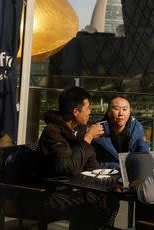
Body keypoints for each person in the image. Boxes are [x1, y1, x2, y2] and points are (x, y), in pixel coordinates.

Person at [36, 86, 118, 230]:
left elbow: (90, 161)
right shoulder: (53, 132)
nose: (90, 112)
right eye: (88, 108)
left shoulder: (78, 129)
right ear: (75, 112)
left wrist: (106, 182)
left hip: (74, 188)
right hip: (51, 192)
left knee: (110, 199)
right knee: (89, 205)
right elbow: (69, 167)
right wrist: (88, 137)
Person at [93, 95, 150, 168]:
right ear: (109, 112)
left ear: (130, 112)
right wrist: (118, 166)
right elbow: (94, 162)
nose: (121, 113)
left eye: (125, 109)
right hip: (105, 175)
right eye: (116, 109)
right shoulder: (98, 131)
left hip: (132, 175)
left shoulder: (137, 129)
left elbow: (145, 158)